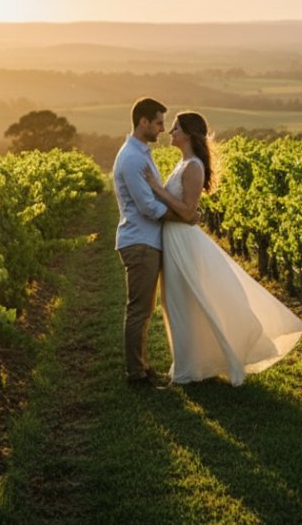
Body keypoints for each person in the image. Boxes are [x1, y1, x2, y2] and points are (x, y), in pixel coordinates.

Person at [144, 111, 302, 386]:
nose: (171, 133)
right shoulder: (183, 163)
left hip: (183, 240)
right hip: (174, 239)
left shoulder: (193, 166)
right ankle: (190, 365)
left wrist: (157, 190)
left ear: (189, 135)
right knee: (177, 303)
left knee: (187, 302)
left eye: (176, 129)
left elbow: (187, 211)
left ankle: (190, 369)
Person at [112, 97, 188, 388]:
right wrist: (184, 216)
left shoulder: (139, 152)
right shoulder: (132, 158)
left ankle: (141, 367)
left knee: (143, 309)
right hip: (140, 241)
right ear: (143, 122)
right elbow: (149, 207)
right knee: (139, 309)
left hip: (145, 240)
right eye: (158, 123)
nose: (162, 129)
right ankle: (135, 374)